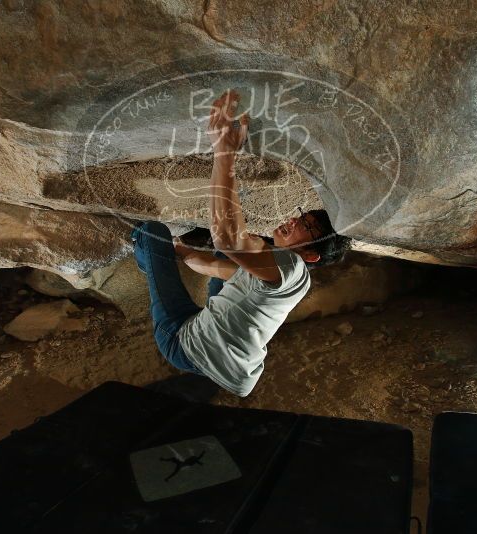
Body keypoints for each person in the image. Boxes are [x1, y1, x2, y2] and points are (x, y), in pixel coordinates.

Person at [132, 89, 351, 397]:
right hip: (228, 368)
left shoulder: (292, 266)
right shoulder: (282, 279)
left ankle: (140, 252)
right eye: (299, 216)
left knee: (151, 232)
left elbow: (226, 236)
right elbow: (209, 263)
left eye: (304, 227)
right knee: (226, 252)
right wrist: (179, 250)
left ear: (311, 255)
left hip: (183, 343)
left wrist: (224, 151)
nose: (291, 220)